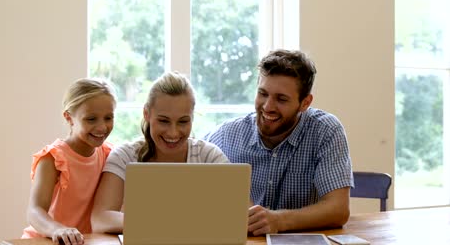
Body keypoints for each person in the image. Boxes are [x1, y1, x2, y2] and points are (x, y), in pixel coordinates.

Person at [203, 49, 353, 236]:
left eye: (281, 99)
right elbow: (185, 158)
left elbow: (338, 210)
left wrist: (278, 220)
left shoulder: (326, 131)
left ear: (305, 103)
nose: (267, 106)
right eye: (263, 93)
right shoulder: (228, 134)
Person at [91, 71, 229, 234]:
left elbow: (242, 215)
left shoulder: (209, 156)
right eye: (163, 121)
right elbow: (100, 219)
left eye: (183, 122)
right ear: (146, 114)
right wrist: (169, 223)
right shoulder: (124, 156)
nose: (173, 133)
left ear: (192, 118)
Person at [22, 78, 116, 245]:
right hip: (46, 241)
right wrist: (57, 229)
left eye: (108, 118)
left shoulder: (108, 154)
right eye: (91, 119)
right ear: (69, 118)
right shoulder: (54, 158)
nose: (102, 127)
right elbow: (34, 211)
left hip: (81, 242)